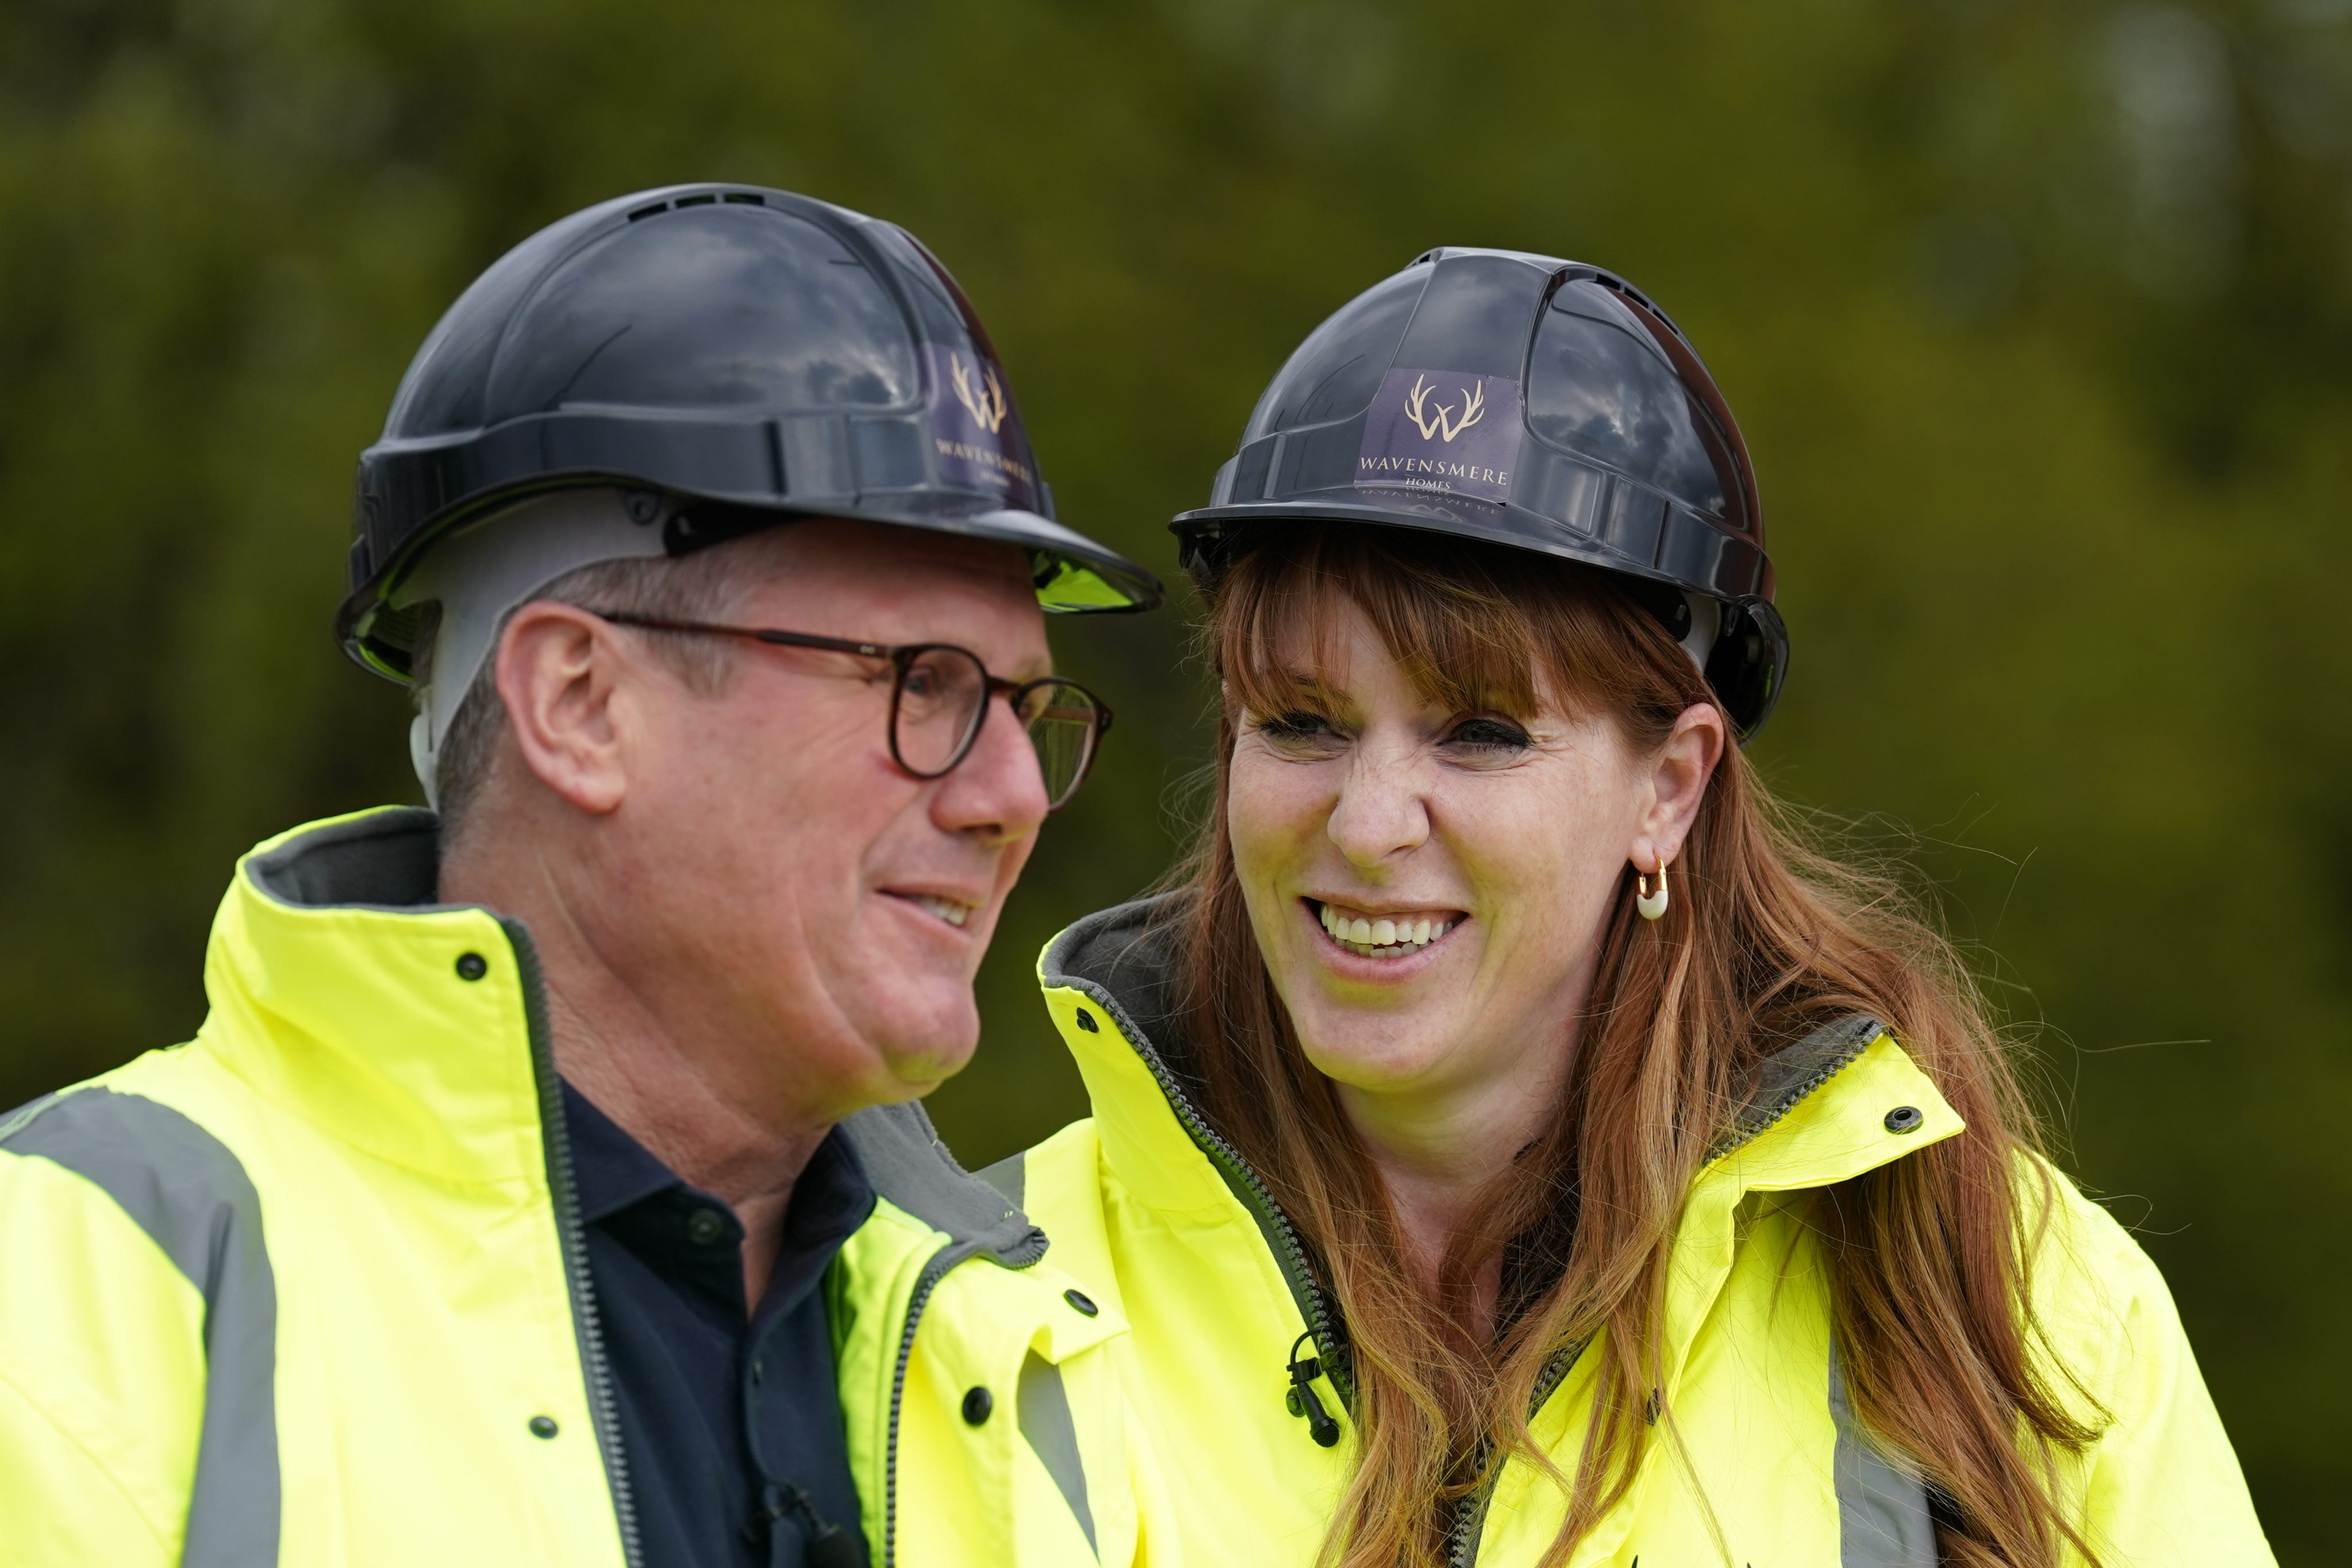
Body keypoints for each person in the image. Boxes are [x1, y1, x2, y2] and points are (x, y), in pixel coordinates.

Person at [1000, 248, 2274, 1566]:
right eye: (1300, 722)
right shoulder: (983, 1303)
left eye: (1481, 732)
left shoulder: (2025, 1298)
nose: (1370, 821)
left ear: (1670, 787)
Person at [0, 185, 1160, 1568]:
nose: (1012, 795)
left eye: (1027, 708)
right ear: (581, 702)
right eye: (923, 683)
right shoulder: (80, 1290)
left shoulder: (1028, 1361)